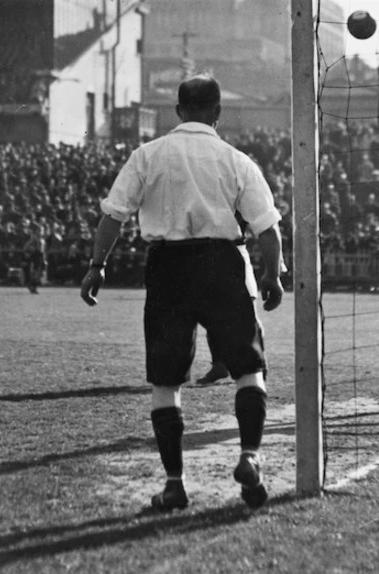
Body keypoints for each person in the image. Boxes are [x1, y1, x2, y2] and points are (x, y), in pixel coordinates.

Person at [80, 74, 285, 511]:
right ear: (217, 113)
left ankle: (175, 484)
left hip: (168, 265)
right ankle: (249, 455)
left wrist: (97, 266)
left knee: (166, 379)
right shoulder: (235, 159)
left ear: (177, 111)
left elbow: (113, 216)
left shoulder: (147, 155)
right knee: (249, 367)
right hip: (221, 263)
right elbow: (267, 226)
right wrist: (272, 275)